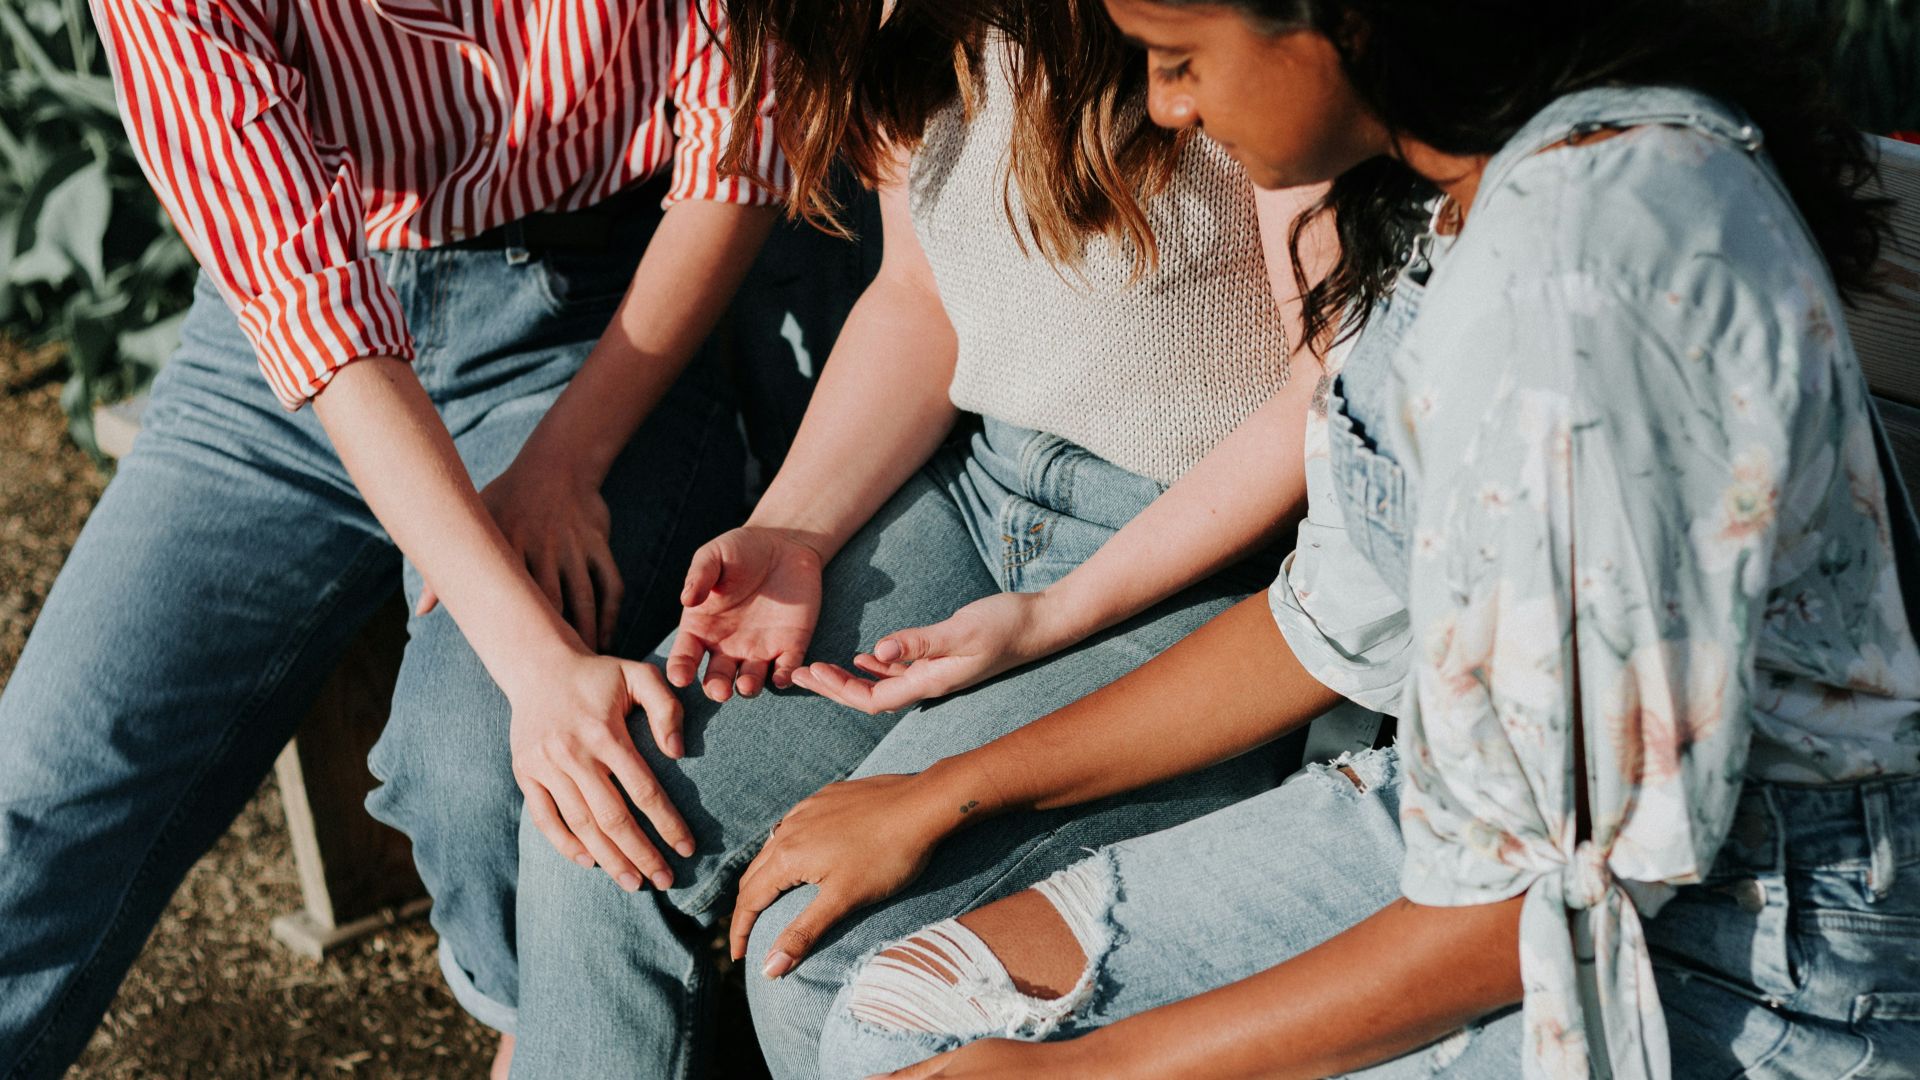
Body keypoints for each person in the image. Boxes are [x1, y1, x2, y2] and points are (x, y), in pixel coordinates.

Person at [732, 1, 1920, 1077]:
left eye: (1179, 57)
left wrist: (1083, 1072)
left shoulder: (1584, 285)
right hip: (1460, 810)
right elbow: (1328, 622)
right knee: (898, 1012)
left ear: (1343, 21)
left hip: (1754, 950)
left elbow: (1550, 898)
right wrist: (946, 794)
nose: (1167, 107)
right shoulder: (1440, 199)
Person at [486, 1, 1363, 1074]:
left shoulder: (1188, 33)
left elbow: (1324, 390)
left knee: (826, 947)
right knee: (600, 823)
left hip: (1197, 559)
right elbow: (917, 295)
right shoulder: (873, 20)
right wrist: (792, 528)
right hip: (974, 495)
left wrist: (1051, 617)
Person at [0, 3, 795, 1077]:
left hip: (591, 325)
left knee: (480, 767)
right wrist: (536, 661)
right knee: (40, 796)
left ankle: (549, 1035)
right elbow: (311, 312)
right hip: (280, 352)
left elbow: (740, 147)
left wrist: (565, 462)